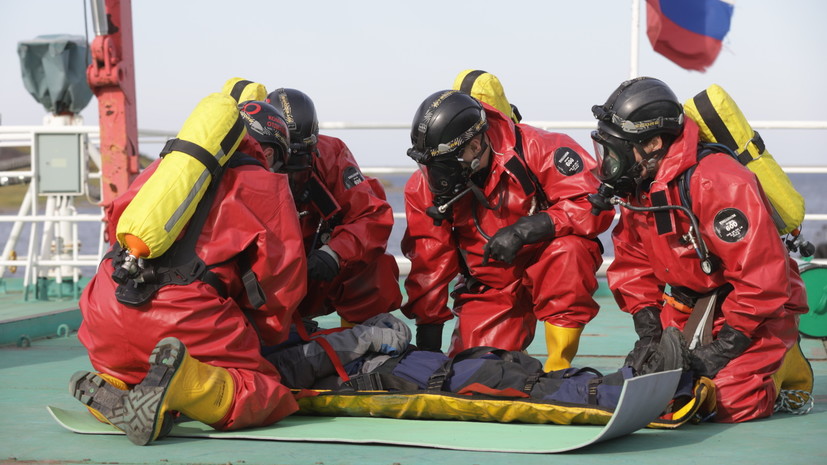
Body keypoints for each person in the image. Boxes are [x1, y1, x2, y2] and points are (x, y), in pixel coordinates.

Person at [69, 96, 307, 445]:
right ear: (271, 152)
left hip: (105, 306)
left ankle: (116, 383)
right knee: (266, 391)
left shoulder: (168, 166)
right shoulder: (266, 185)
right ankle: (187, 387)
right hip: (185, 315)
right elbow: (280, 283)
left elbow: (116, 222)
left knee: (134, 363)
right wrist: (263, 336)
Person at [589, 76, 814, 423]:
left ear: (653, 143)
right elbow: (632, 260)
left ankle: (787, 363)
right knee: (659, 390)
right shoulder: (640, 185)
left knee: (727, 400)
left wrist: (722, 350)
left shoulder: (718, 181)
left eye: (614, 150)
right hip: (689, 302)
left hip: (758, 309)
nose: (607, 163)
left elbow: (761, 280)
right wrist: (649, 332)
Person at [401, 89, 614, 370]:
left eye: (445, 164)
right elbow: (430, 263)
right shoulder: (423, 187)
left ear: (476, 146)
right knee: (473, 374)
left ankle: (558, 365)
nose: (436, 176)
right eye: (428, 164)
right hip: (492, 285)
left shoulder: (540, 148)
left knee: (571, 250)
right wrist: (428, 342)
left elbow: (593, 205)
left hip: (547, 263)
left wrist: (529, 228)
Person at [266, 313, 696, 414]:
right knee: (511, 385)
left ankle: (623, 379)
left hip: (408, 364)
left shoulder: (260, 326)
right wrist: (361, 336)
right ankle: (637, 393)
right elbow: (290, 370)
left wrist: (370, 330)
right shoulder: (254, 355)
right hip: (393, 377)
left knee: (520, 370)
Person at [266, 87, 402, 326]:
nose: (291, 176)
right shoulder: (242, 165)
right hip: (266, 280)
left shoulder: (330, 155)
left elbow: (372, 216)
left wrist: (334, 254)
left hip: (316, 269)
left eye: (300, 162)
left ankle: (368, 341)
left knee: (376, 266)